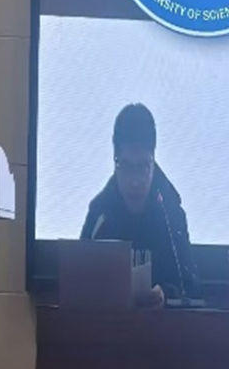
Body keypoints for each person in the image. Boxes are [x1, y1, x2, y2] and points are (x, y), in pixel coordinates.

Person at [81, 103, 197, 305]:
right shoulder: (99, 212)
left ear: (153, 161)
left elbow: (192, 288)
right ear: (115, 161)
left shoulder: (172, 213)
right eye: (126, 165)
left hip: (162, 323)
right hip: (108, 321)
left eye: (143, 166)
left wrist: (166, 295)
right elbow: (79, 281)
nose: (134, 181)